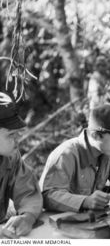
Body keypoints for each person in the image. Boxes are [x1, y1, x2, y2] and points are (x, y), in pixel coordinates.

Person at [40, 104, 110, 213]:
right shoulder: (66, 155)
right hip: (58, 224)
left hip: (90, 220)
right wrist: (85, 202)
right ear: (95, 135)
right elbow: (48, 194)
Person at [0, 92, 43, 238]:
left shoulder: (11, 156)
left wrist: (28, 217)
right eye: (11, 135)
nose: (18, 139)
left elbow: (27, 193)